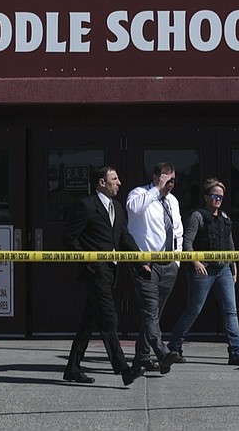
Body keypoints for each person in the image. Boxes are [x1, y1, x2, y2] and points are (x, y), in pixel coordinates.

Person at [62, 165, 146, 386]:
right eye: (115, 179)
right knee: (109, 318)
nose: (119, 183)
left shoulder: (117, 208)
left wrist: (140, 262)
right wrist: (88, 260)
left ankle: (72, 368)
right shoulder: (86, 206)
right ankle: (123, 369)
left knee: (89, 322)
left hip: (111, 272)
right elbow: (69, 238)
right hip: (94, 272)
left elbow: (125, 239)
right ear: (102, 182)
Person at [168, 178, 239, 366]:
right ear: (206, 197)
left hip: (223, 269)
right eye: (214, 196)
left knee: (231, 311)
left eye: (221, 197)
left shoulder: (225, 219)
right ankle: (174, 347)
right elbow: (186, 243)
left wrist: (234, 266)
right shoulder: (197, 216)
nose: (218, 199)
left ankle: (236, 352)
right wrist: (196, 261)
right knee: (193, 311)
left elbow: (230, 246)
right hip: (203, 270)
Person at [125, 162, 182, 373]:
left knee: (155, 314)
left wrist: (176, 261)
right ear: (156, 177)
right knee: (150, 311)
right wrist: (156, 190)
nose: (171, 184)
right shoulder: (140, 194)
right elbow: (133, 208)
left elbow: (178, 230)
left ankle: (141, 357)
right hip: (145, 264)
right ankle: (161, 352)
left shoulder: (173, 202)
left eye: (173, 180)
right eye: (167, 179)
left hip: (169, 264)